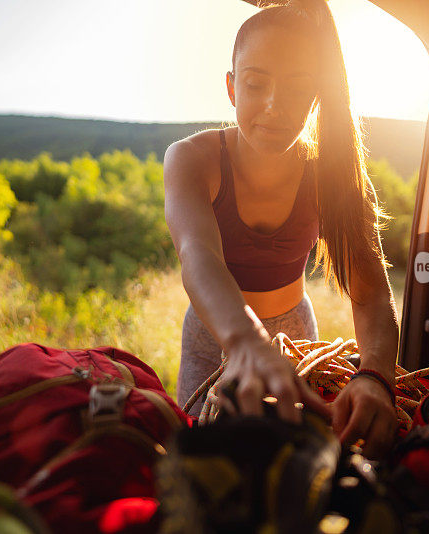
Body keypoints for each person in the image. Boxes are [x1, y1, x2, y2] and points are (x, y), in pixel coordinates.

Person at [163, 0, 400, 459]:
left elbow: (371, 293)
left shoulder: (334, 175)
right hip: (214, 335)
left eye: (296, 89)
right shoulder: (192, 159)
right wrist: (245, 343)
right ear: (231, 88)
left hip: (297, 333)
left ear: (315, 96)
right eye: (255, 83)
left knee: (288, 465)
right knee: (204, 465)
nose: (274, 107)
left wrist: (374, 378)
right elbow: (198, 256)